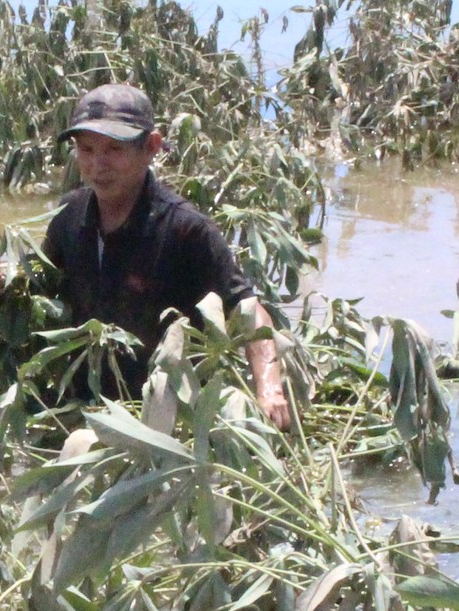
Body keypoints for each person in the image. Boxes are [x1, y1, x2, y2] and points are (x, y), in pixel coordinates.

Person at [32, 83, 294, 429]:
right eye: (87, 149)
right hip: (86, 402)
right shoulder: (69, 215)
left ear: (151, 147)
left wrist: (269, 387)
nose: (97, 165)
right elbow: (42, 287)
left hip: (162, 411)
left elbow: (247, 310)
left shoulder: (186, 229)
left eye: (114, 149)